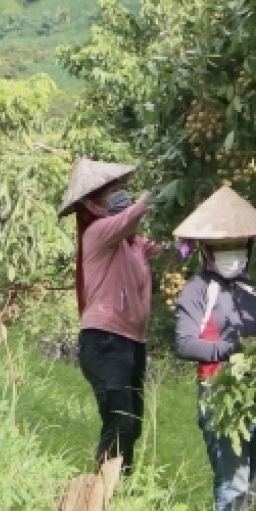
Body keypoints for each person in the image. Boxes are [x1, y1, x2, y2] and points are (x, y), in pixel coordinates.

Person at [172, 185, 256, 511]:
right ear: (207, 249)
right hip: (219, 392)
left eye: (237, 246)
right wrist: (228, 349)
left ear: (248, 247)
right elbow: (184, 344)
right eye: (222, 247)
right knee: (233, 482)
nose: (230, 253)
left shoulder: (255, 291)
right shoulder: (198, 289)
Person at [59, 157, 162, 473]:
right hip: (105, 341)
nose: (122, 195)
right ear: (93, 202)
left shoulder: (134, 244)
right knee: (119, 420)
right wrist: (156, 193)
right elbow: (132, 215)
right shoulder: (97, 232)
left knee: (132, 423)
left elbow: (170, 249)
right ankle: (100, 488)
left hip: (132, 343)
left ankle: (119, 487)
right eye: (113, 190)